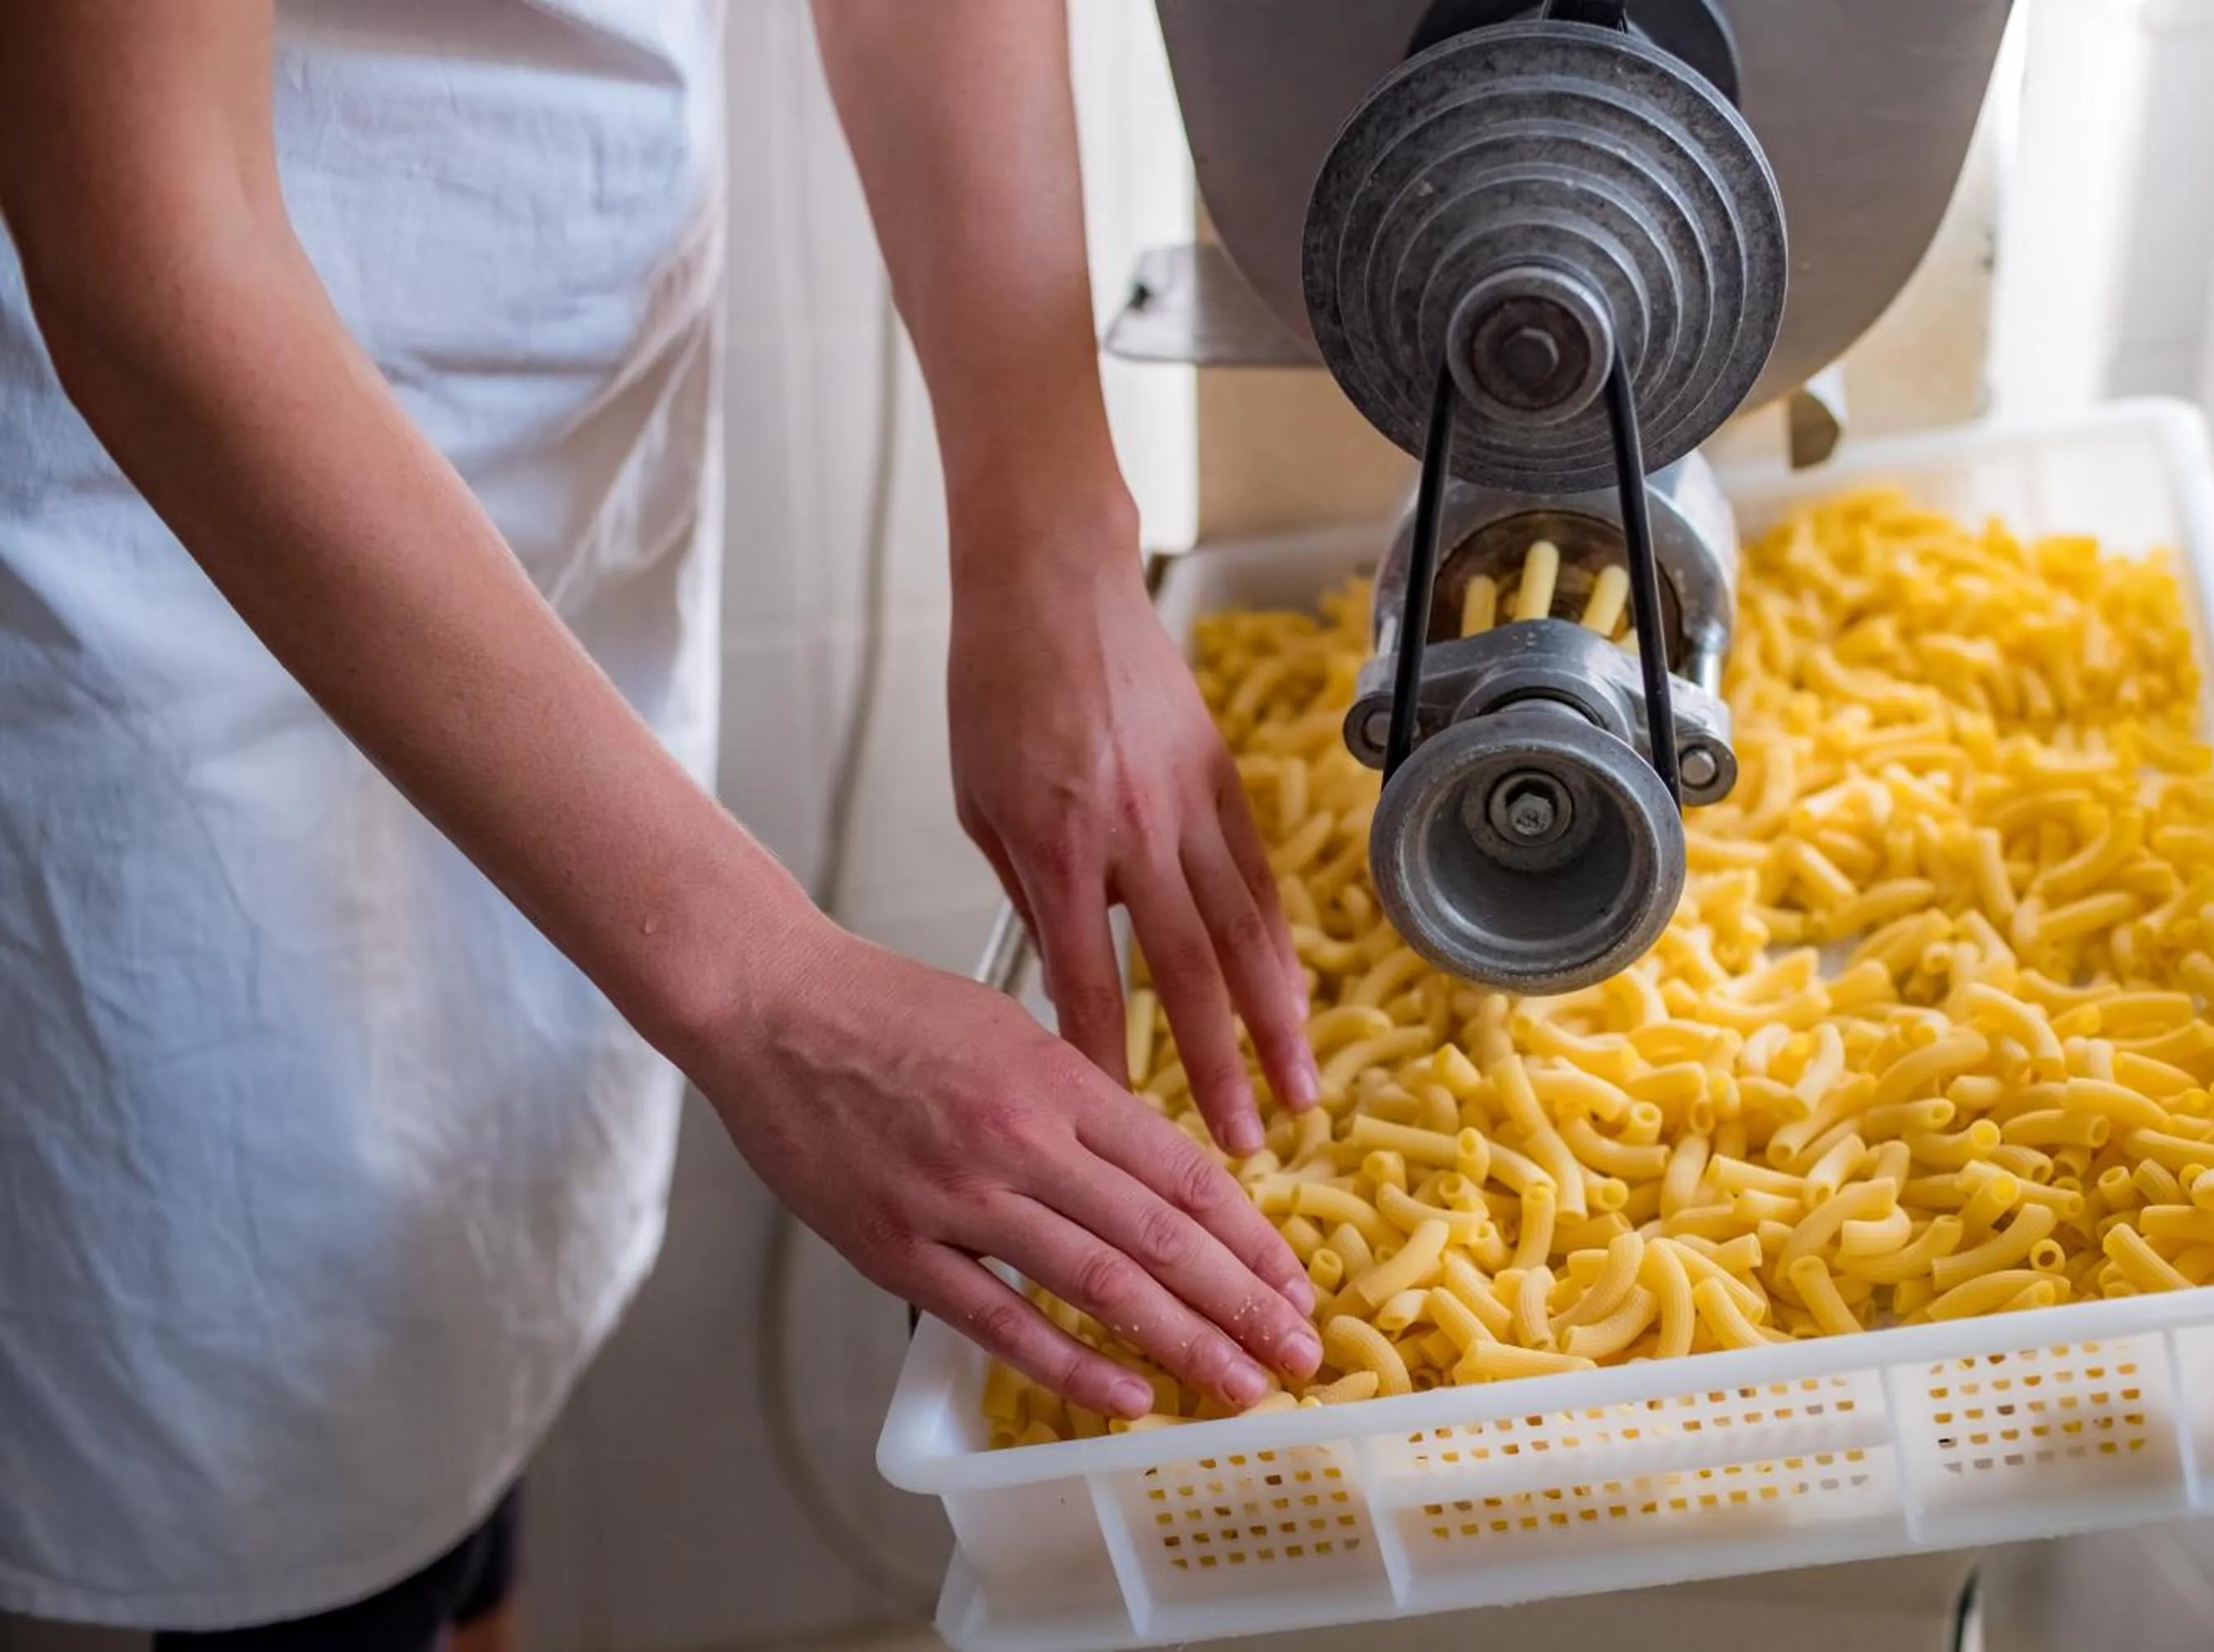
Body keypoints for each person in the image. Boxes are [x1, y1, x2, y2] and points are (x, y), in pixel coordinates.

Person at [0, 2, 1322, 1645]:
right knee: (304, 1477)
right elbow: (144, 242)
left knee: (456, 1364)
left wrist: (1050, 527)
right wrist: (774, 995)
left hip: (563, 428)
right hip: (172, 562)